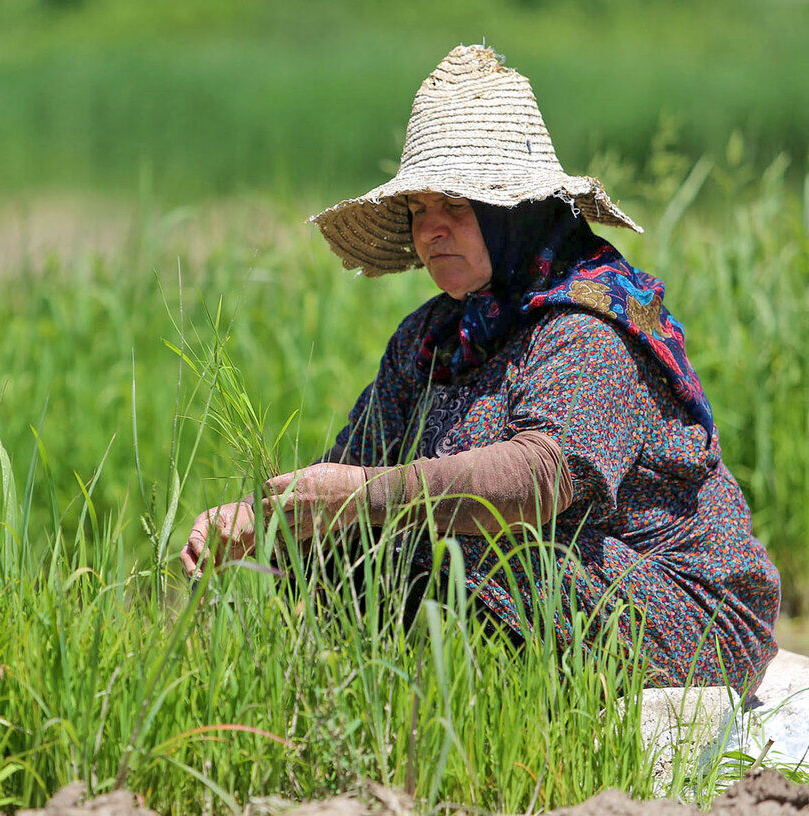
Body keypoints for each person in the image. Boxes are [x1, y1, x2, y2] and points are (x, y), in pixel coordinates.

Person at [178, 45, 780, 690]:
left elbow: (537, 481)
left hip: (689, 609)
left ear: (515, 214)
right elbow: (352, 469)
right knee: (342, 543)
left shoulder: (589, 326)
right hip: (552, 582)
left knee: (453, 532)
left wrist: (359, 497)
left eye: (458, 209)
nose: (432, 230)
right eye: (418, 213)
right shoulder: (429, 339)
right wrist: (259, 519)